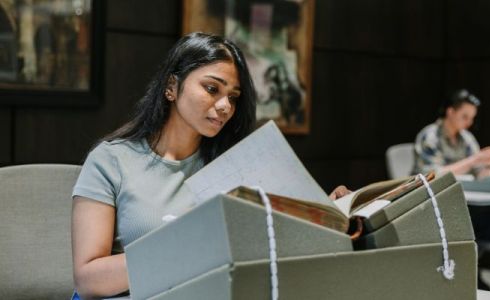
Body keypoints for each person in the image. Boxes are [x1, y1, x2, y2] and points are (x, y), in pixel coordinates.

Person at [71, 32, 349, 299]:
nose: (226, 106)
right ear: (171, 87)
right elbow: (88, 279)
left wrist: (322, 211)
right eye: (212, 89)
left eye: (233, 97)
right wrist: (184, 251)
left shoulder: (232, 165)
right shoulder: (112, 160)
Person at [412, 89, 490, 290]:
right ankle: (455, 272)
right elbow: (433, 175)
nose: (469, 122)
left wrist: (488, 163)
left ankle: (471, 266)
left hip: (463, 199)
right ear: (450, 112)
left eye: (472, 118)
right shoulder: (430, 136)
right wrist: (474, 159)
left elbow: (480, 176)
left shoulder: (467, 139)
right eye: (465, 116)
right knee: (461, 219)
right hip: (431, 201)